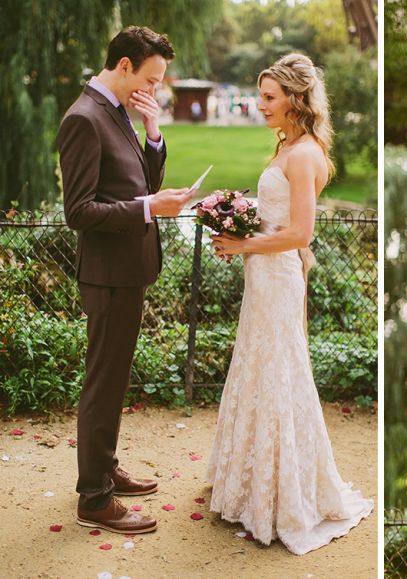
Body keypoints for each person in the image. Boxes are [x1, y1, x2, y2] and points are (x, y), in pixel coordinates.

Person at [206, 53, 373, 555]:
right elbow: (278, 221)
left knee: (278, 369)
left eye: (269, 97)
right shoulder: (292, 146)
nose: (260, 105)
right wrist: (236, 220)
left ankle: (284, 497)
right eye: (261, 96)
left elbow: (301, 233)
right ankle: (250, 481)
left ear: (297, 100)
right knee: (258, 365)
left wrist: (243, 244)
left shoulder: (303, 156)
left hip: (277, 276)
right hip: (266, 273)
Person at [57, 26, 193, 534]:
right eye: (151, 79)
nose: (154, 88)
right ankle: (93, 497)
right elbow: (79, 211)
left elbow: (143, 182)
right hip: (108, 275)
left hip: (129, 270)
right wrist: (147, 209)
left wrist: (152, 129)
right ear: (124, 66)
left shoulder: (115, 111)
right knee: (102, 383)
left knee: (113, 381)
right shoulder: (83, 119)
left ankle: (104, 467)